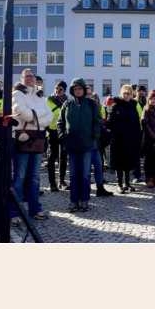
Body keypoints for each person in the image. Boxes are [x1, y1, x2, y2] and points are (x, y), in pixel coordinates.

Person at [9, 69, 53, 226]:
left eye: (31, 76)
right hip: (22, 138)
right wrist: (39, 116)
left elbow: (50, 117)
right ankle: (15, 211)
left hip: (38, 139)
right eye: (26, 76)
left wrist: (34, 117)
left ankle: (35, 209)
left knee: (35, 177)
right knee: (19, 177)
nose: (29, 79)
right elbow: (21, 113)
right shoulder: (17, 94)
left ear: (35, 79)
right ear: (21, 79)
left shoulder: (40, 95)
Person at [58, 78, 102, 211]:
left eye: (79, 88)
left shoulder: (91, 103)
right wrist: (62, 136)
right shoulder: (67, 104)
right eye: (75, 89)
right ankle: (73, 200)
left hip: (87, 145)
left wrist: (94, 134)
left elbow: (98, 121)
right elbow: (60, 123)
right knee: (73, 174)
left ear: (83, 89)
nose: (77, 91)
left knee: (85, 174)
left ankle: (84, 199)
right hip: (71, 145)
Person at [108, 84, 142, 193]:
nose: (126, 95)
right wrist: (117, 132)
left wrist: (137, 135)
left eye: (128, 93)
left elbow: (136, 121)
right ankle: (119, 184)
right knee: (119, 162)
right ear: (121, 93)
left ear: (132, 95)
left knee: (128, 162)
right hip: (119, 139)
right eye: (124, 93)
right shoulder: (116, 105)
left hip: (130, 139)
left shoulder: (133, 105)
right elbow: (110, 122)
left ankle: (127, 183)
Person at [45, 80, 68, 192]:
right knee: (52, 156)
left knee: (63, 157)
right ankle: (52, 182)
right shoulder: (48, 101)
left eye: (61, 89)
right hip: (52, 131)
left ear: (64, 91)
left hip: (63, 132)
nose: (58, 91)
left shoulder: (67, 102)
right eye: (56, 88)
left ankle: (61, 181)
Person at [90, 92, 114, 197]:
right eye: (93, 98)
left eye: (96, 98)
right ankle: (86, 188)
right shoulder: (87, 108)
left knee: (99, 162)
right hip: (89, 139)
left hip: (99, 139)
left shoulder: (101, 109)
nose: (95, 100)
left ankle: (100, 186)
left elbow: (103, 122)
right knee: (87, 165)